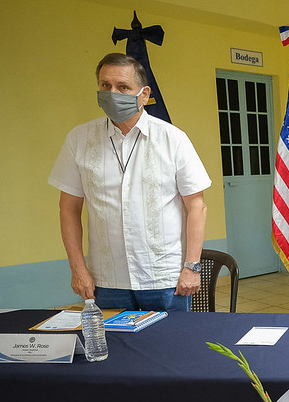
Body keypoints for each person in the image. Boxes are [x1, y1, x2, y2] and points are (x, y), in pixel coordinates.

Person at [48, 53, 211, 312]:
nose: (112, 93)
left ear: (144, 95)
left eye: (123, 87)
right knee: (114, 339)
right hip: (107, 279)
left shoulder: (172, 139)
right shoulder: (79, 140)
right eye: (105, 86)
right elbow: (68, 209)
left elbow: (196, 206)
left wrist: (191, 267)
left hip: (165, 277)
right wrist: (78, 269)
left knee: (172, 338)